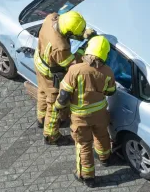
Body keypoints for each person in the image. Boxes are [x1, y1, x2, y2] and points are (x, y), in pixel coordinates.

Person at [45, 36, 116, 187]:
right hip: (100, 115)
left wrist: (57, 107)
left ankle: (87, 176)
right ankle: (105, 159)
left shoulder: (75, 70)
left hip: (80, 118)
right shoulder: (108, 71)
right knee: (102, 136)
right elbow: (111, 91)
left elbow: (64, 95)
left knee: (83, 145)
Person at [35, 9, 89, 143]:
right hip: (50, 73)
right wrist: (84, 49)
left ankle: (41, 118)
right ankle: (51, 135)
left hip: (39, 62)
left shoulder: (51, 18)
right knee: (53, 103)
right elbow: (71, 63)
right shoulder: (60, 47)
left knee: (42, 91)